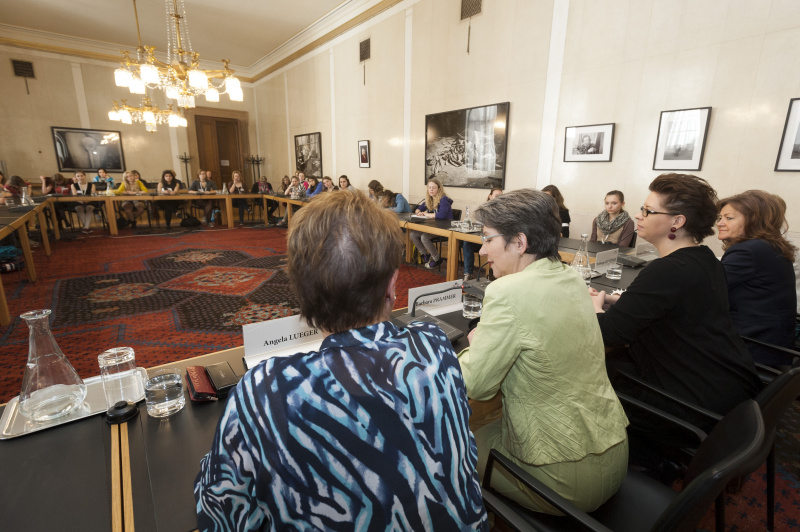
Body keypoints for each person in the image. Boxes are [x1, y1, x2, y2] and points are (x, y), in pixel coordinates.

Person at [194, 191, 487, 531]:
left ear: (300, 290)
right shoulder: (433, 345)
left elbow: (217, 516)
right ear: (393, 285)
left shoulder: (265, 391)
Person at [458, 189, 629, 514]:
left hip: (563, 480)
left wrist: (476, 345)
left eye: (487, 239)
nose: (481, 250)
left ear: (519, 243)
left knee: (448, 443)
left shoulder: (505, 291)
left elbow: (475, 385)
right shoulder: (574, 279)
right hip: (614, 453)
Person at [590, 174, 761, 424]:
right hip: (727, 388)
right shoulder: (706, 259)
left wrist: (595, 307)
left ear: (677, 222)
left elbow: (610, 333)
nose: (639, 216)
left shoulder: (667, 270)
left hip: (690, 403)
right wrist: (622, 303)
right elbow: (679, 310)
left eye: (648, 211)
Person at [717, 190, 798, 367]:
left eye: (729, 218)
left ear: (753, 220)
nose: (720, 223)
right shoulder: (769, 245)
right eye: (720, 218)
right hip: (775, 346)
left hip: (752, 350)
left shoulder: (747, 250)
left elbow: (707, 288)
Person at [409, 178, 453, 269]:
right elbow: (418, 209)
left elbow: (442, 215)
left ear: (439, 189)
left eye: (434, 188)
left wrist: (426, 214)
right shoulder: (430, 199)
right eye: (429, 188)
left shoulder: (444, 199)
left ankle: (437, 259)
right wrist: (418, 212)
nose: (431, 190)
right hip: (433, 227)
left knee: (424, 237)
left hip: (444, 228)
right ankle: (425, 254)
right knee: (412, 234)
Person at [463, 187, 502, 280]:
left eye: (501, 196)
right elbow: (479, 223)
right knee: (467, 242)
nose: (499, 198)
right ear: (490, 196)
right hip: (481, 238)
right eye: (496, 196)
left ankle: (492, 274)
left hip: (495, 239)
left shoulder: (504, 210)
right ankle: (468, 273)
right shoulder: (484, 208)